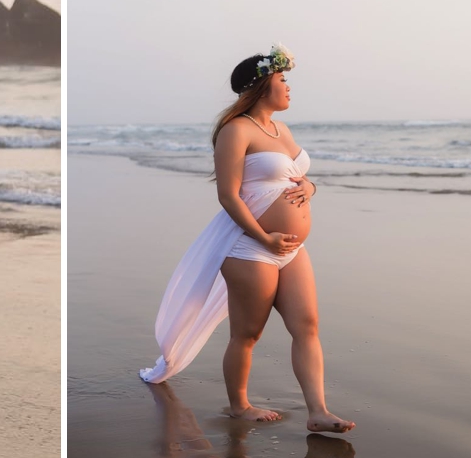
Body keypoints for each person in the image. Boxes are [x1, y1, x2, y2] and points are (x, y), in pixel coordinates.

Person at [139, 46, 354, 434]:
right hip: (251, 246)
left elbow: (296, 177)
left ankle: (318, 411)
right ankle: (239, 405)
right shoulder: (235, 130)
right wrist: (264, 238)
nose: (289, 87)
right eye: (283, 79)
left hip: (292, 249)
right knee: (248, 333)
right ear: (263, 84)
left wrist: (311, 187)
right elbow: (228, 195)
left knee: (307, 325)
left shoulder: (282, 130)